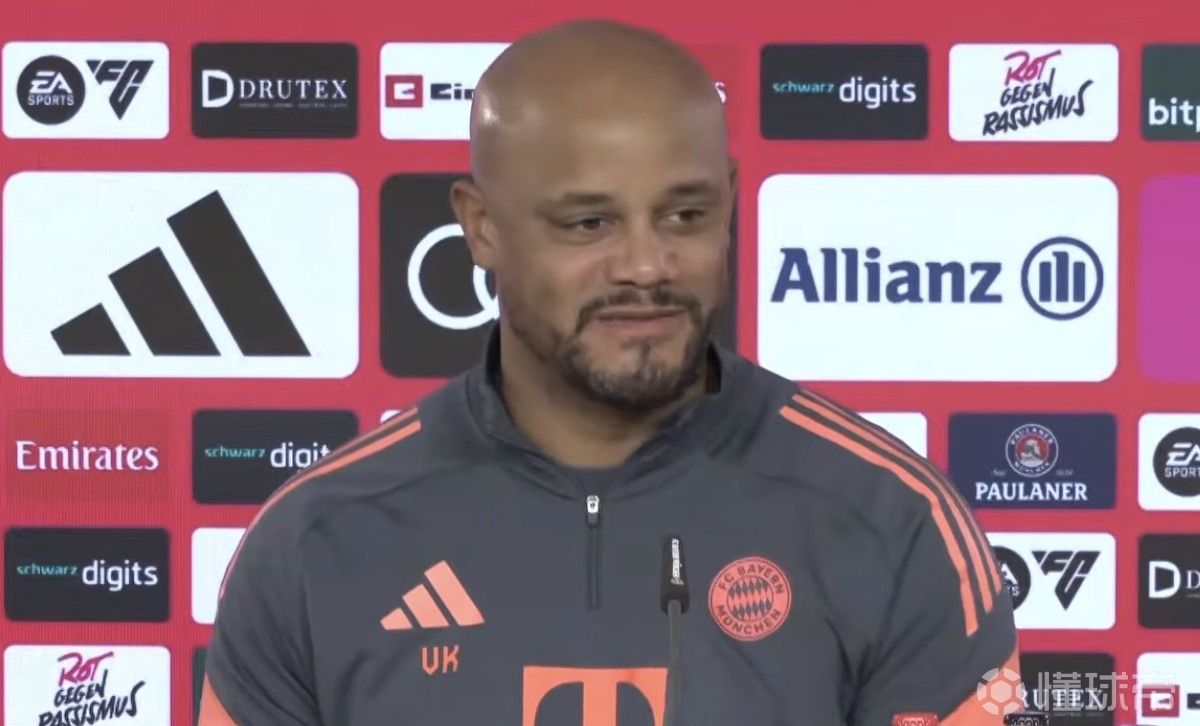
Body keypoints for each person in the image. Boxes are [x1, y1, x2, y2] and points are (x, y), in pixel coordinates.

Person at [198, 19, 1022, 726]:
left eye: (685, 215)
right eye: (589, 223)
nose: (645, 265)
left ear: (730, 203)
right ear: (481, 227)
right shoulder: (317, 541)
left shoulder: (889, 522)